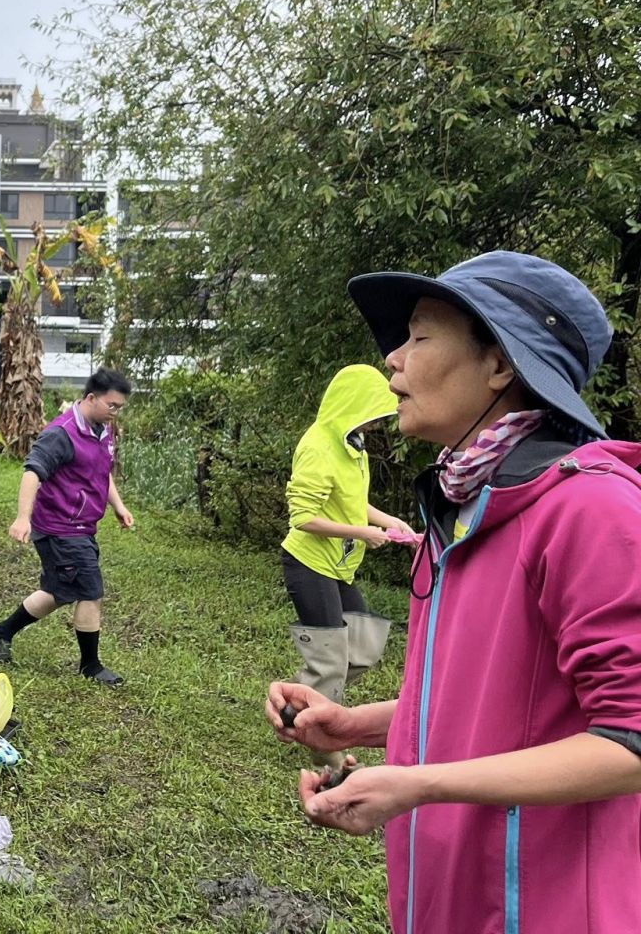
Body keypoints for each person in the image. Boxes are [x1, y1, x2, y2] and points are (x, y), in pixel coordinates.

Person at [266, 251, 641, 934]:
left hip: (543, 909)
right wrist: (356, 725)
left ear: (499, 364)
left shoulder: (593, 510)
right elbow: (485, 704)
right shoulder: (463, 508)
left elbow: (629, 741)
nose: (392, 360)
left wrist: (419, 784)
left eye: (419, 336)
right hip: (444, 895)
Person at [282, 364, 413, 763]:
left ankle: (296, 705)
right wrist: (361, 533)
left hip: (338, 566)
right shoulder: (319, 446)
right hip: (309, 563)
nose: (376, 424)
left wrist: (387, 520)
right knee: (330, 660)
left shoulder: (352, 443)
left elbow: (353, 502)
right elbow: (302, 517)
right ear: (354, 405)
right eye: (373, 414)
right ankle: (324, 749)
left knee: (365, 647)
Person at [0, 369, 136, 686]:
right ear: (91, 398)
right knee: (91, 591)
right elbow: (32, 472)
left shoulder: (101, 430)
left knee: (60, 591)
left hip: (81, 527)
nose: (115, 412)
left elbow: (101, 471)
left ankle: (1, 632)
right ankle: (91, 666)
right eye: (112, 405)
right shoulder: (62, 434)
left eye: (120, 407)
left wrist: (118, 506)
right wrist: (22, 517)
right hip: (61, 528)